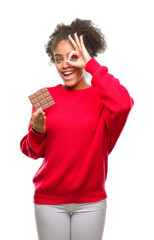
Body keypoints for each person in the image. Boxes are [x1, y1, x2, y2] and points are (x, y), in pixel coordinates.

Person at [20, 18, 134, 240]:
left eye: (74, 57)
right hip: (49, 201)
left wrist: (91, 65)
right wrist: (36, 131)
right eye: (59, 59)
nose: (65, 64)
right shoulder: (45, 96)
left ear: (86, 57)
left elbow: (124, 104)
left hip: (91, 202)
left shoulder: (102, 98)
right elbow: (32, 151)